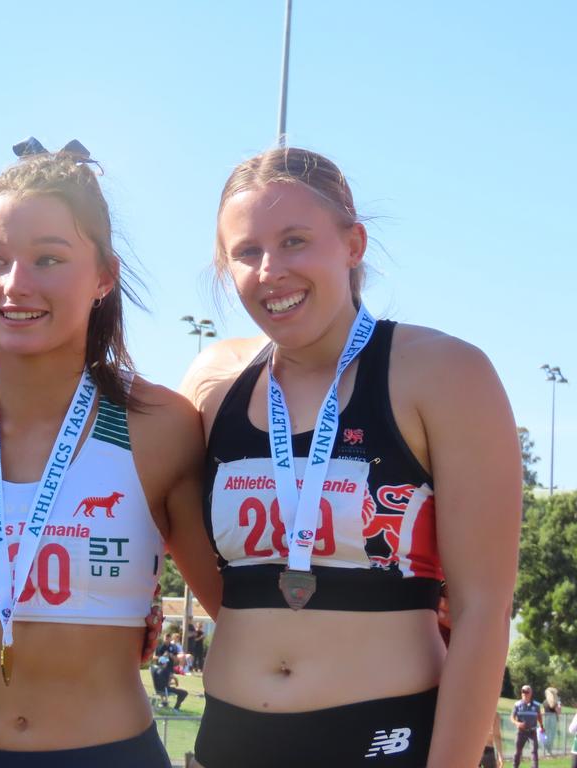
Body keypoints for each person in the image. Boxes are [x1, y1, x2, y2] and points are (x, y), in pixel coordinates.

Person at [0, 140, 221, 767]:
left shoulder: (162, 425)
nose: (17, 285)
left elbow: (237, 609)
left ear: (104, 275)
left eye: (49, 259)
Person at [180, 147, 521, 767]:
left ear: (354, 244)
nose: (270, 270)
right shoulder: (213, 383)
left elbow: (482, 610)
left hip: (387, 737)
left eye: (294, 241)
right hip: (229, 739)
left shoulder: (443, 372)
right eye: (246, 252)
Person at [512, 685, 544, 768]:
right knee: (517, 751)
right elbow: (512, 717)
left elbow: (539, 716)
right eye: (523, 691)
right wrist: (517, 723)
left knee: (534, 751)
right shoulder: (517, 704)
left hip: (532, 732)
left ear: (531, 693)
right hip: (521, 732)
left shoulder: (536, 705)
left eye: (526, 692)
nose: (524, 694)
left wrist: (541, 726)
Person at [545, 687, 562, 756]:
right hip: (552, 718)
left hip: (545, 718)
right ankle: (548, 750)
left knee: (547, 734)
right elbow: (559, 712)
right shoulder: (555, 702)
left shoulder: (545, 701)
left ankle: (546, 749)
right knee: (551, 735)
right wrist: (559, 704)